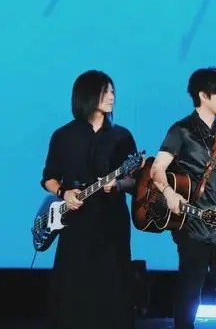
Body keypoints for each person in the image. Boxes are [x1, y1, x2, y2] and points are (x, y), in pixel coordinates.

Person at [150, 67, 216, 329]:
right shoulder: (181, 130)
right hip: (194, 227)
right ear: (204, 95)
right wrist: (168, 192)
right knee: (189, 295)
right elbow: (157, 169)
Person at [41, 70, 138, 329]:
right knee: (74, 289)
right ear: (87, 95)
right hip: (75, 224)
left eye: (113, 91)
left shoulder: (122, 136)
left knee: (113, 289)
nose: (112, 97)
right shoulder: (62, 136)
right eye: (106, 92)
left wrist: (117, 184)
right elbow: (49, 178)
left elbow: (136, 181)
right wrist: (64, 193)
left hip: (112, 225)